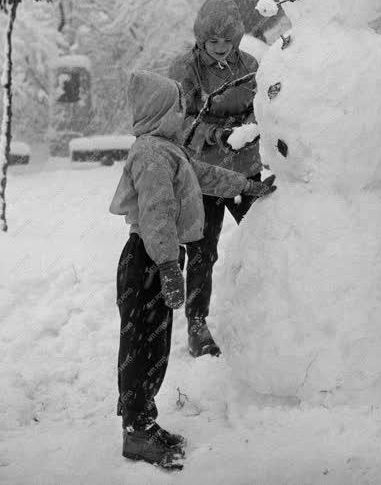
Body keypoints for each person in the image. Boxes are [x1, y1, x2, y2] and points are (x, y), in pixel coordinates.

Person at [110, 70, 275, 469]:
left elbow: (204, 175)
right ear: (158, 113)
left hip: (157, 257)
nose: (184, 114)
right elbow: (157, 215)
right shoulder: (151, 154)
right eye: (177, 108)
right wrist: (167, 266)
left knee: (156, 344)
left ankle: (144, 422)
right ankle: (137, 432)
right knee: (142, 348)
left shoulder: (168, 149)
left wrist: (246, 185)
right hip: (148, 259)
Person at [169, 0, 262, 358]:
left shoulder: (249, 64)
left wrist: (253, 126)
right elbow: (177, 121)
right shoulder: (186, 69)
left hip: (246, 169)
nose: (221, 48)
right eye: (213, 42)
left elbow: (264, 107)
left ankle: (272, 314)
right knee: (202, 251)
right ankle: (197, 323)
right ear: (201, 40)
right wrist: (217, 134)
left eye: (227, 41)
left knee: (265, 237)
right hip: (205, 174)